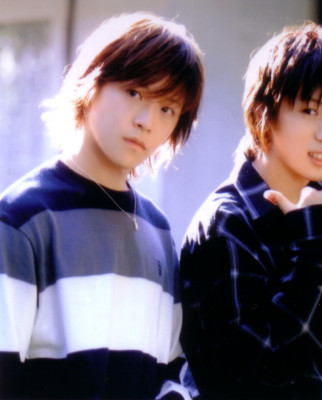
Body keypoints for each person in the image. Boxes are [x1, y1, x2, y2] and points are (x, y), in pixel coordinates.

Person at [0, 12, 204, 399]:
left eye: (167, 108)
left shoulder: (158, 230)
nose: (146, 121)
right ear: (91, 82)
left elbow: (171, 369)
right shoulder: (23, 220)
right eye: (135, 92)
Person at [180, 22, 322, 400]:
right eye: (309, 110)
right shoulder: (229, 222)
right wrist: (318, 249)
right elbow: (263, 371)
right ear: (264, 111)